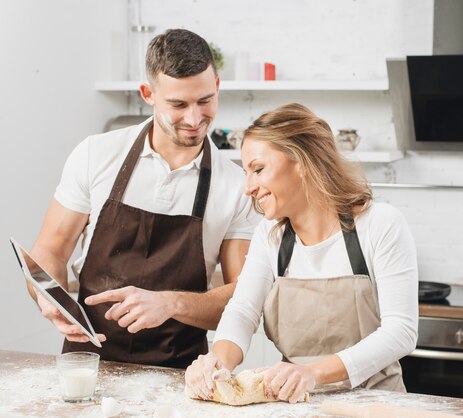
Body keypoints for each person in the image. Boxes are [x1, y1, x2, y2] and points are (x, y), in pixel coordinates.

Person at [25, 29, 259, 368]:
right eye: (178, 105)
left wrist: (170, 304)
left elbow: (243, 297)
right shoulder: (95, 155)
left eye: (205, 101)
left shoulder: (236, 186)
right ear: (148, 93)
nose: (194, 119)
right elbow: (50, 249)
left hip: (183, 371)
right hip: (88, 363)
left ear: (218, 85)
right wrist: (48, 296)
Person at [184, 103, 418, 402]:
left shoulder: (379, 224)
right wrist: (217, 363)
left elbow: (401, 332)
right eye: (247, 173)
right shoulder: (271, 237)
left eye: (258, 169)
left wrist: (313, 373)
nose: (248, 188)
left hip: (377, 404)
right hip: (297, 403)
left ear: (302, 162)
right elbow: (242, 310)